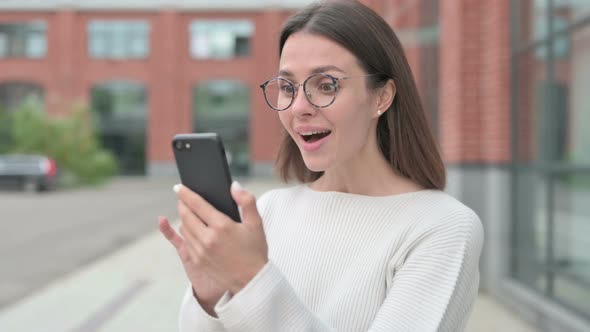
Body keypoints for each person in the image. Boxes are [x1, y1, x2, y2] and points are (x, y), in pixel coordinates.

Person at [158, 0, 484, 331]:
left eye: (326, 85)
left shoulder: (442, 227)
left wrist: (251, 280)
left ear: (382, 97)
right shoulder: (269, 211)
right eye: (287, 87)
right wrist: (210, 298)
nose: (299, 107)